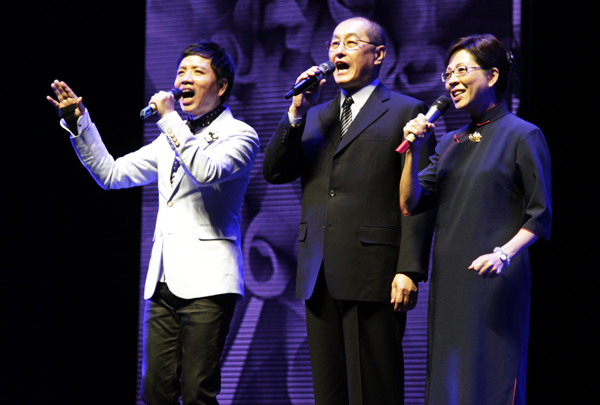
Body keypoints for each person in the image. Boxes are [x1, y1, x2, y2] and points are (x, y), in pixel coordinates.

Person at [47, 41, 259, 405]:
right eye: (181, 72)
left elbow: (206, 171)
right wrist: (78, 121)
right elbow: (111, 174)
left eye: (197, 71)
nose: (184, 79)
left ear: (221, 86)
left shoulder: (240, 135)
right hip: (163, 283)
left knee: (197, 392)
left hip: (209, 284)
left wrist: (170, 119)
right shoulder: (169, 139)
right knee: (156, 392)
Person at [263, 17, 436, 405]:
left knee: (375, 388)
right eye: (333, 44)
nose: (337, 51)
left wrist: (409, 269)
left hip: (374, 272)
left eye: (351, 43)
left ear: (378, 56)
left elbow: (421, 198)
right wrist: (295, 112)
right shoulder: (315, 115)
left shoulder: (407, 110)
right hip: (317, 273)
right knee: (329, 391)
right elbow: (274, 172)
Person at [399, 34, 552, 405]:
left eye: (461, 71)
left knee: (490, 381)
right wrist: (413, 151)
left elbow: (540, 214)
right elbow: (409, 203)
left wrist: (503, 254)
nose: (451, 80)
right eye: (447, 74)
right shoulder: (451, 141)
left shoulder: (523, 134)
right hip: (451, 281)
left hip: (497, 281)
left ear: (493, 75)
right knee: (447, 384)